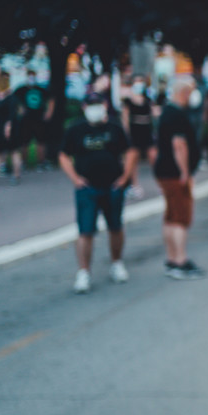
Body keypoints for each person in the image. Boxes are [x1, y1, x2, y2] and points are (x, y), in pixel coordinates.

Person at [58, 93, 136, 293]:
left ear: (105, 105)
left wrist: (125, 177)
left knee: (115, 226)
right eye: (91, 105)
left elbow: (130, 151)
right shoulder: (76, 129)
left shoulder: (114, 127)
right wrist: (75, 179)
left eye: (98, 104)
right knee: (85, 231)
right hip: (87, 187)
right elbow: (63, 155)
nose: (95, 108)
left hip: (112, 185)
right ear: (84, 107)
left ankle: (117, 263)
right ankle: (84, 272)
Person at [153, 75, 205, 280]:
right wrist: (185, 173)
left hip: (165, 171)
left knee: (171, 216)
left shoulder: (168, 112)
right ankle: (180, 261)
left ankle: (172, 258)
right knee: (180, 218)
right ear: (184, 92)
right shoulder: (176, 115)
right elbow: (179, 146)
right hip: (175, 174)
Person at [13, 69, 54, 170]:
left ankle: (41, 163)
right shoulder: (21, 90)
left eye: (33, 76)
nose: (31, 78)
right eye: (29, 76)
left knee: (41, 141)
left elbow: (51, 99)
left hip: (39, 119)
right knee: (24, 142)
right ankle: (24, 163)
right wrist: (19, 110)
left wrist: (49, 112)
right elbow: (12, 101)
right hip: (25, 120)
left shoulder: (41, 89)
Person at [0, 72, 24, 184]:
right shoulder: (11, 97)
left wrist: (8, 127)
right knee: (11, 152)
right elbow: (17, 112)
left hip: (7, 128)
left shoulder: (7, 98)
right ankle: (15, 176)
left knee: (7, 153)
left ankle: (15, 175)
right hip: (4, 128)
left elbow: (12, 114)